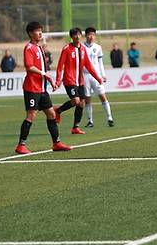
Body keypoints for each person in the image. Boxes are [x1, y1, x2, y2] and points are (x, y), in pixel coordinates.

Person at [14, 21, 70, 154]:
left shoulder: (39, 48)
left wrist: (49, 80)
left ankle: (56, 143)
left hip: (42, 89)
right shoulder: (29, 48)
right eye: (37, 31)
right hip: (32, 88)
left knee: (51, 114)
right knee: (31, 115)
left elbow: (42, 68)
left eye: (41, 30)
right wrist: (45, 74)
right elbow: (29, 67)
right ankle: (21, 145)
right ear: (30, 33)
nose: (40, 33)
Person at [54, 27, 103, 135]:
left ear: (81, 35)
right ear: (71, 37)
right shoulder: (67, 48)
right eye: (74, 35)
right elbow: (60, 66)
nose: (77, 36)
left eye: (79, 34)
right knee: (76, 101)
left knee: (81, 103)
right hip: (69, 81)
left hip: (80, 81)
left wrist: (98, 78)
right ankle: (58, 110)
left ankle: (75, 127)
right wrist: (58, 81)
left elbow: (89, 66)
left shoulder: (83, 49)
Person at [83, 27, 114, 127]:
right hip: (85, 75)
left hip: (96, 76)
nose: (91, 37)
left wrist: (103, 74)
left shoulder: (98, 47)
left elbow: (100, 62)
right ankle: (90, 120)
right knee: (87, 98)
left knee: (102, 96)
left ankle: (109, 118)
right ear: (86, 35)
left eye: (93, 35)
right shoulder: (81, 47)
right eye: (89, 34)